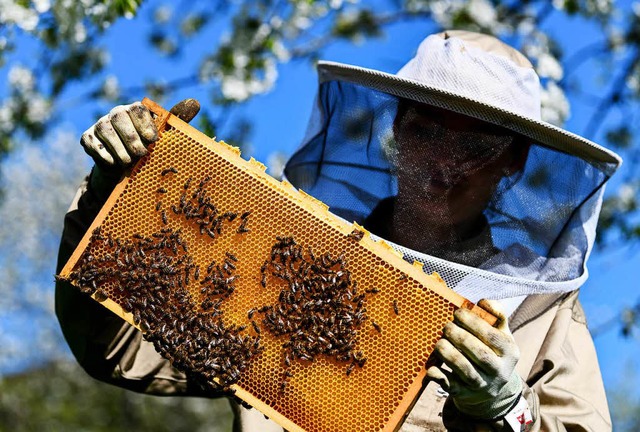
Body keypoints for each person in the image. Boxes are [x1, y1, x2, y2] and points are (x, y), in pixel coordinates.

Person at [56, 30, 621, 431]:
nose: (444, 164)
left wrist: (506, 411)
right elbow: (120, 352)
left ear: (513, 163)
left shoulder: (540, 311)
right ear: (396, 134)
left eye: (475, 145)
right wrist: (113, 187)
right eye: (426, 132)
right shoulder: (297, 263)